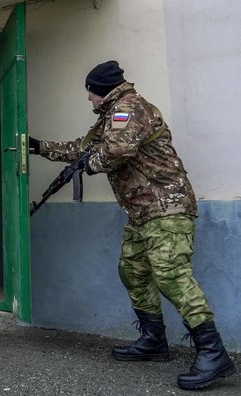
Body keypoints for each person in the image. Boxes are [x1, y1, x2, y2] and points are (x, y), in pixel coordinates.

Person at [29, 60, 236, 390]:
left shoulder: (130, 108)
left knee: (170, 274)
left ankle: (213, 352)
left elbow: (117, 150)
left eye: (90, 93)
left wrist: (92, 165)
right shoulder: (109, 118)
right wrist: (39, 147)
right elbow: (82, 149)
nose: (88, 99)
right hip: (141, 213)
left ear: (103, 91)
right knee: (132, 270)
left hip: (166, 206)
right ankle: (154, 340)